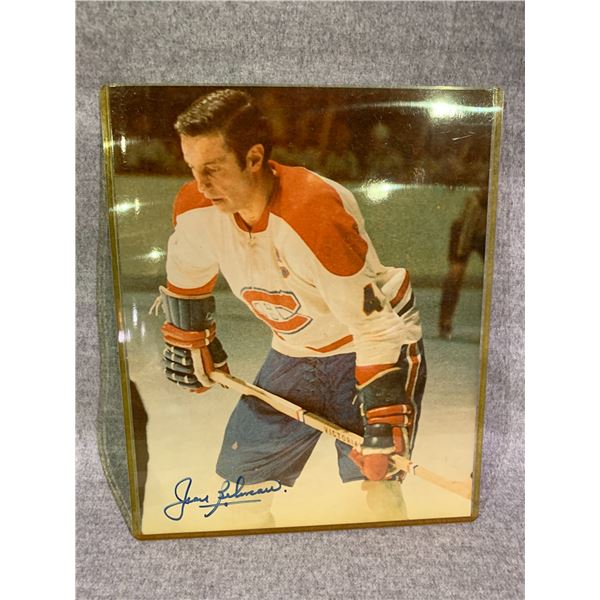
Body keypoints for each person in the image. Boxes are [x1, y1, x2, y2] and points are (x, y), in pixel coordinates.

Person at [156, 89, 427, 523]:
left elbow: (375, 328)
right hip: (295, 349)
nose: (201, 185)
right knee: (241, 493)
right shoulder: (196, 211)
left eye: (213, 169)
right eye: (192, 168)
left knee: (375, 488)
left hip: (372, 343)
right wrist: (192, 340)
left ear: (253, 158)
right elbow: (186, 282)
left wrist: (382, 417)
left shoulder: (312, 212)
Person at [438, 186, 488, 339]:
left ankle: (445, 322)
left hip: (483, 222)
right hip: (470, 219)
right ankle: (445, 321)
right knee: (456, 270)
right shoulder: (475, 201)